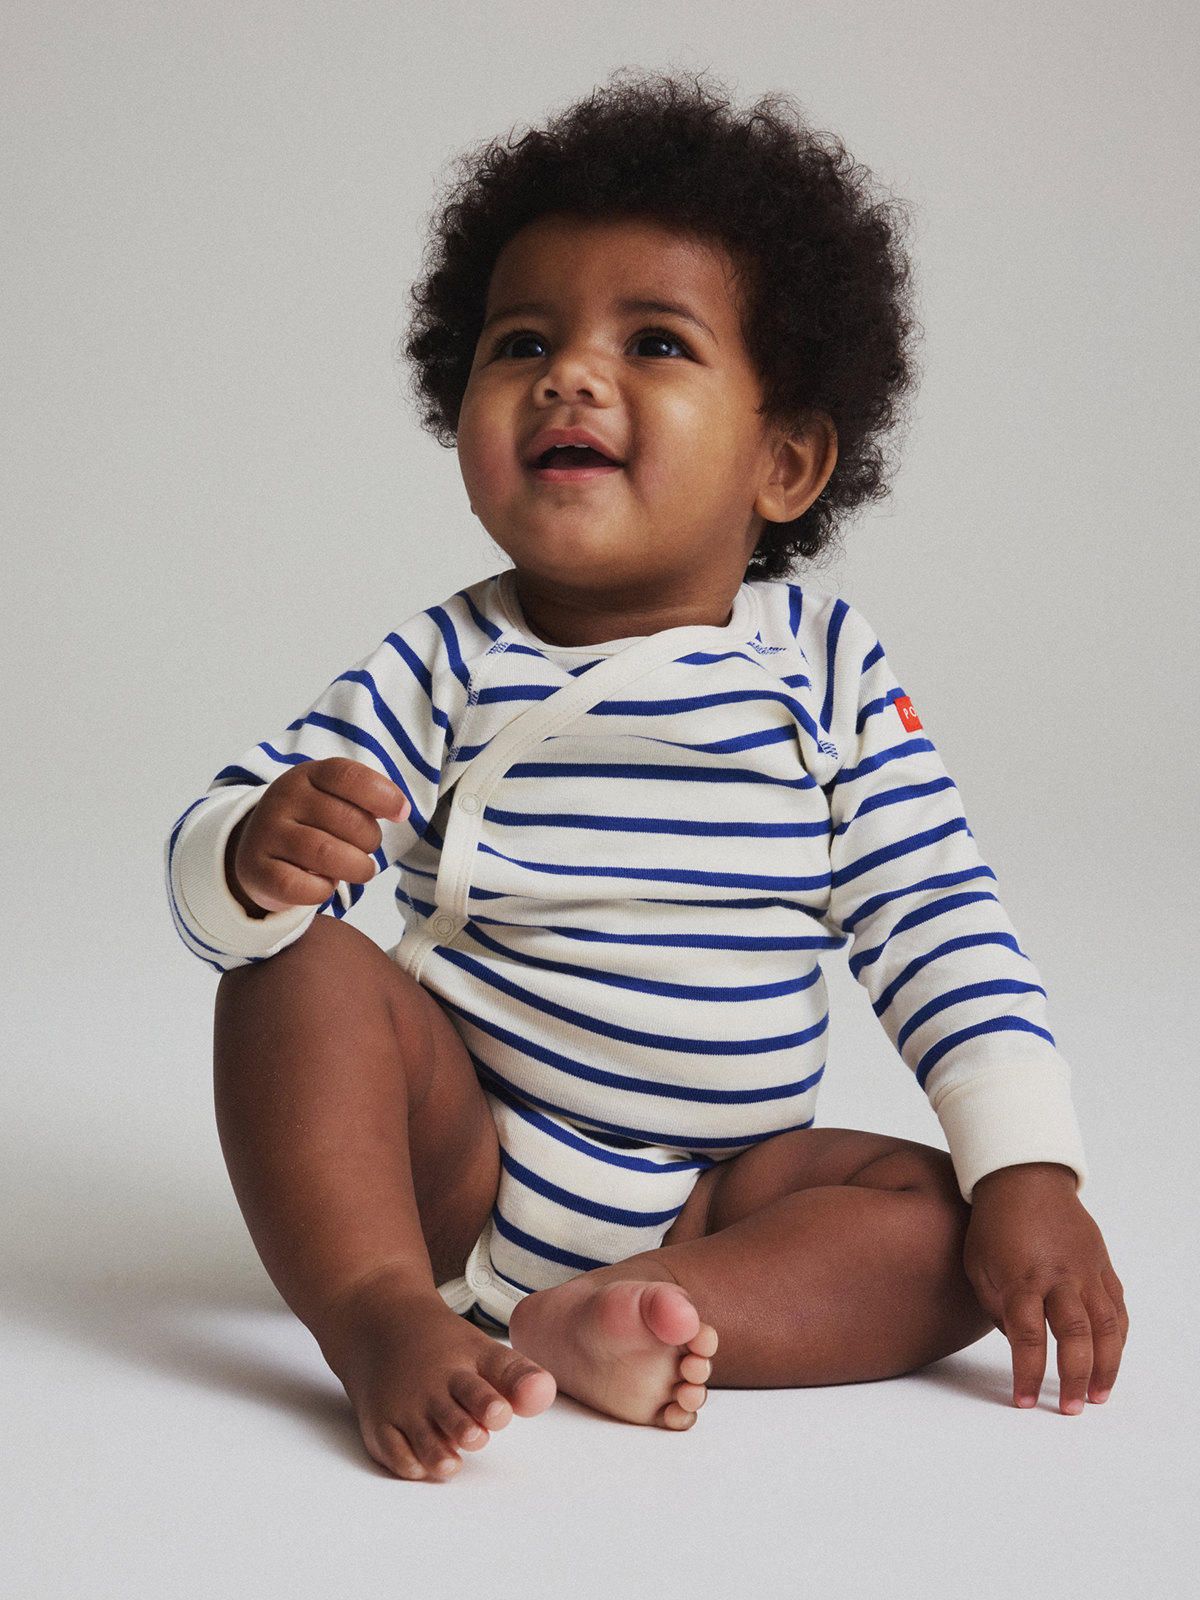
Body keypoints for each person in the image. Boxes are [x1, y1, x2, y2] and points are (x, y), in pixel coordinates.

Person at [167, 74, 1127, 1482]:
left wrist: (1031, 1171)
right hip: (460, 1164)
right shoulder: (450, 660)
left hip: (719, 1198)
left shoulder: (828, 670)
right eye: (522, 342)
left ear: (785, 460)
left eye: (656, 341)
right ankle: (377, 1315)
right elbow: (228, 860)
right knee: (292, 975)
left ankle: (620, 1317)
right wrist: (253, 855)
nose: (570, 374)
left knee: (945, 1226)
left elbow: (935, 914)